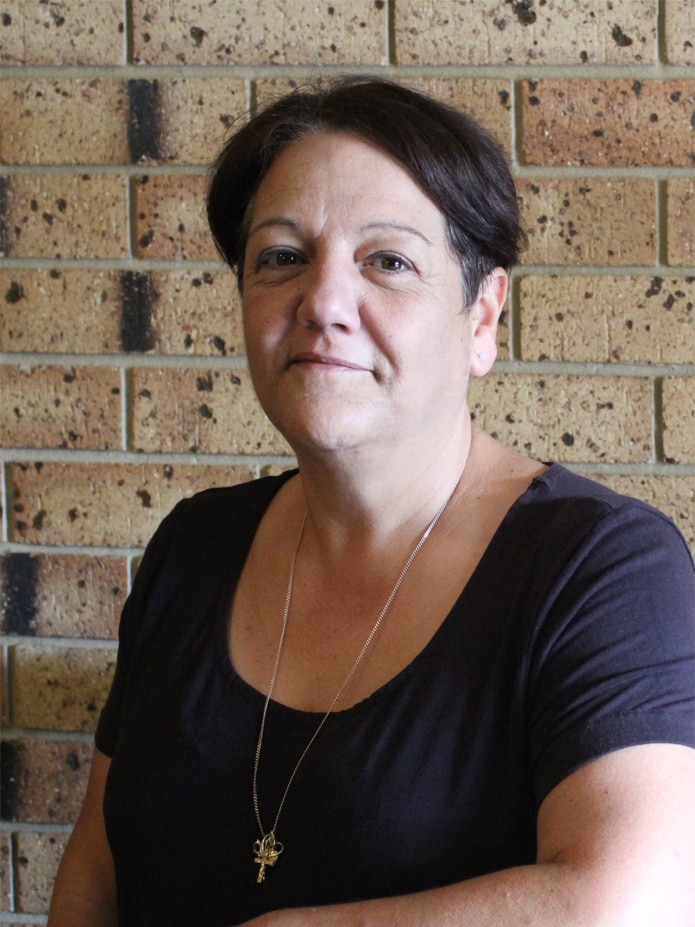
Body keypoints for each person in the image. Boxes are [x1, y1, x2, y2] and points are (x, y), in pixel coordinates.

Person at [48, 76, 695, 927]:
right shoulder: (192, 546)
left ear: (481, 317)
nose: (321, 303)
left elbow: (631, 905)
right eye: (282, 257)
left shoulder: (600, 568)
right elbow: (97, 873)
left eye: (387, 261)